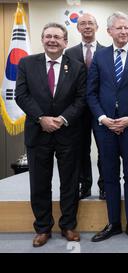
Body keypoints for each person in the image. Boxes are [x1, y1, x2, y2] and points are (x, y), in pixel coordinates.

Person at [15, 22, 86, 247]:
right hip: (38, 133)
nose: (52, 40)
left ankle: (68, 225)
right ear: (43, 40)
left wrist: (62, 119)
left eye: (57, 37)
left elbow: (81, 99)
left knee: (69, 183)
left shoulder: (76, 66)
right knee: (39, 183)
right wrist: (41, 118)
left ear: (65, 42)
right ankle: (43, 228)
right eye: (48, 36)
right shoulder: (27, 63)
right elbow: (21, 95)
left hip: (68, 133)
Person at [87, 12, 128, 242]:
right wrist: (103, 118)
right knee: (110, 176)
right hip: (105, 128)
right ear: (109, 32)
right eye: (119, 28)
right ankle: (113, 222)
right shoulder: (100, 57)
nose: (123, 32)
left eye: (127, 28)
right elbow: (91, 93)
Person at [65, 13, 105, 200]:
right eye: (83, 23)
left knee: (105, 149)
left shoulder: (107, 51)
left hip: (101, 109)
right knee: (81, 149)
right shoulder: (69, 53)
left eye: (90, 23)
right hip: (78, 110)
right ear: (78, 28)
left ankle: (105, 185)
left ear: (97, 27)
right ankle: (85, 185)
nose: (87, 26)